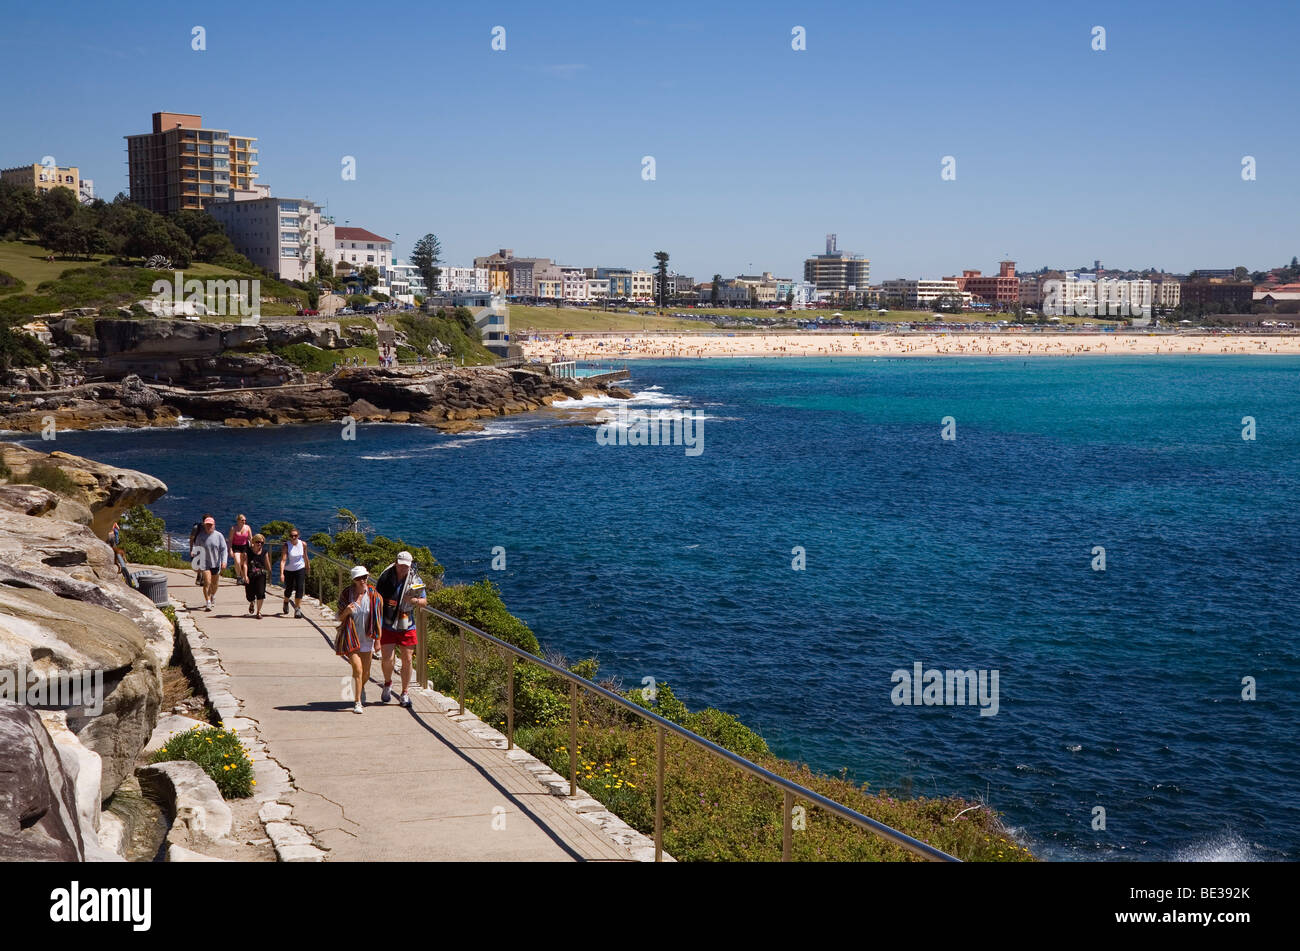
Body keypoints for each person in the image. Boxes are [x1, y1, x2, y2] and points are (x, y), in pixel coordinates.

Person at [375, 551, 427, 707]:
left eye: (406, 566)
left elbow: (424, 601)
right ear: (396, 563)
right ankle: (388, 683)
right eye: (401, 565)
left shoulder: (415, 580)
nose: (403, 568)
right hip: (387, 623)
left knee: (408, 659)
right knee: (387, 658)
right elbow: (376, 601)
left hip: (407, 624)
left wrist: (414, 600)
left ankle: (405, 692)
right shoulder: (385, 578)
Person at [336, 565, 382, 714]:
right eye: (359, 578)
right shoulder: (346, 595)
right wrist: (347, 611)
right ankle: (357, 702)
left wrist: (377, 640)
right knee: (358, 669)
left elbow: (377, 619)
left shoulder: (374, 595)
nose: (362, 580)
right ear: (354, 580)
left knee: (366, 673)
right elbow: (340, 618)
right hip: (351, 637)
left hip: (367, 639)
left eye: (364, 577)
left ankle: (359, 688)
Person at [194, 516, 228, 611]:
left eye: (210, 525)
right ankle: (208, 602)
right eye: (207, 525)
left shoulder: (219, 536)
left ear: (214, 525)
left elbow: (224, 549)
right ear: (204, 525)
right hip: (204, 563)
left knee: (215, 584)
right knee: (207, 582)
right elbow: (196, 548)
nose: (209, 526)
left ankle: (213, 595)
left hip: (216, 563)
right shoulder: (200, 536)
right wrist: (196, 563)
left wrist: (224, 561)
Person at [280, 528, 309, 618]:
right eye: (292, 536)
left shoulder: (303, 544)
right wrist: (282, 573)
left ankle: (297, 609)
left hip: (300, 568)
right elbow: (283, 560)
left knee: (299, 588)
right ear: (289, 537)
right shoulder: (286, 546)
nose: (293, 537)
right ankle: (286, 602)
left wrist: (308, 566)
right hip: (289, 570)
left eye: (295, 535)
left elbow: (305, 556)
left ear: (298, 536)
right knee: (289, 589)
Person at [245, 534, 271, 618]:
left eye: (261, 542)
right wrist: (245, 576)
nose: (259, 544)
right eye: (257, 542)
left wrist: (269, 572)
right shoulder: (248, 551)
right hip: (250, 575)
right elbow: (245, 564)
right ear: (253, 542)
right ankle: (252, 602)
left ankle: (259, 612)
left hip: (261, 575)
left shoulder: (264, 552)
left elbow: (267, 564)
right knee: (250, 595)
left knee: (260, 593)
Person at [229, 514, 252, 585]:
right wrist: (230, 550)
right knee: (237, 561)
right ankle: (239, 576)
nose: (244, 521)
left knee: (244, 563)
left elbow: (250, 538)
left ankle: (244, 578)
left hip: (245, 547)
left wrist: (253, 546)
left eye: (245, 520)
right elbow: (230, 540)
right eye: (242, 520)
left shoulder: (247, 528)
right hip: (236, 547)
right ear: (238, 521)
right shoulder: (233, 528)